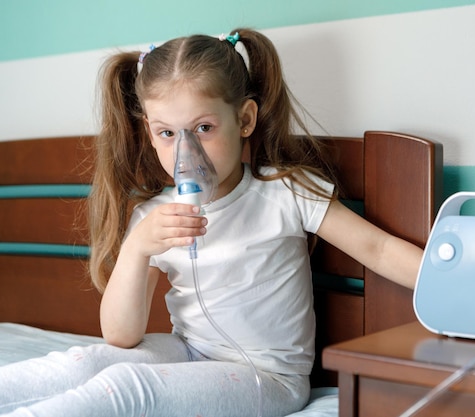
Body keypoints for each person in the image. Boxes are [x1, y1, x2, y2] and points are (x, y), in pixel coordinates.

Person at [0, 28, 422, 417]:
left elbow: (377, 249)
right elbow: (119, 336)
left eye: (202, 127)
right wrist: (137, 249)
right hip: (189, 352)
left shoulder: (284, 193)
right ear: (149, 132)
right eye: (168, 133)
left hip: (270, 377)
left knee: (126, 387)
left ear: (245, 120)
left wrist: (458, 282)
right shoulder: (154, 218)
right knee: (85, 361)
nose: (185, 150)